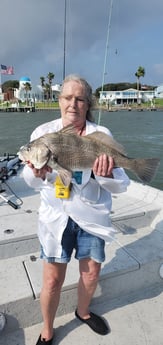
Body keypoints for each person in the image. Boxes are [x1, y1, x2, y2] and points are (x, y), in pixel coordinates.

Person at [23, 74, 130, 345]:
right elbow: (30, 179)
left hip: (92, 216)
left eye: (80, 99)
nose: (73, 104)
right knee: (52, 280)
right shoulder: (42, 135)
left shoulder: (101, 135)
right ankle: (47, 329)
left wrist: (104, 174)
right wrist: (37, 174)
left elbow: (120, 186)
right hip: (56, 217)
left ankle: (82, 312)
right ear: (59, 101)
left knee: (91, 272)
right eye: (68, 97)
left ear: (87, 104)